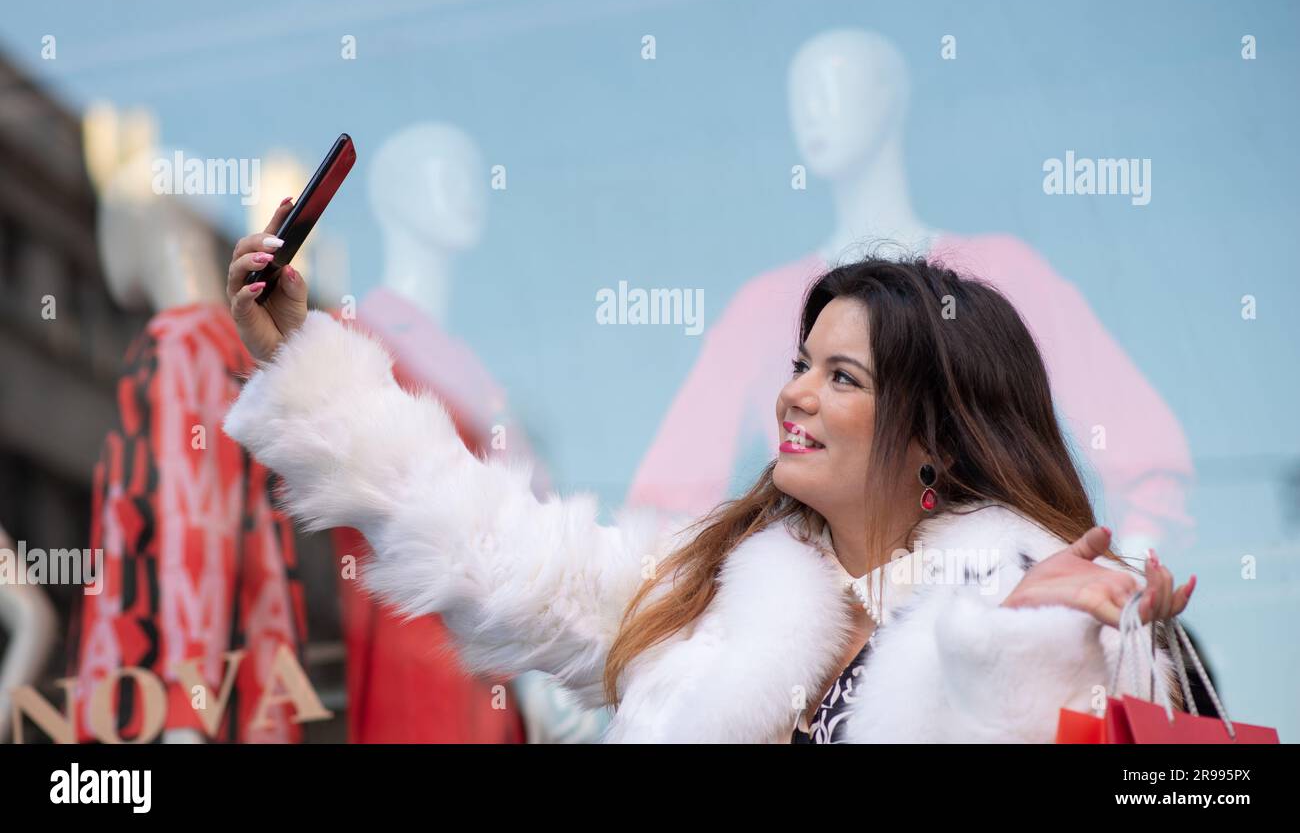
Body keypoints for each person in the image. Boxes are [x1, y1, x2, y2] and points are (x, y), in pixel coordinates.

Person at [219, 200, 1195, 743]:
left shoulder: (1057, 618)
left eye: (841, 376)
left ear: (934, 438)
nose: (794, 396)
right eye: (799, 365)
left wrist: (1019, 650)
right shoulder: (719, 593)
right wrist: (307, 360)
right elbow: (492, 550)